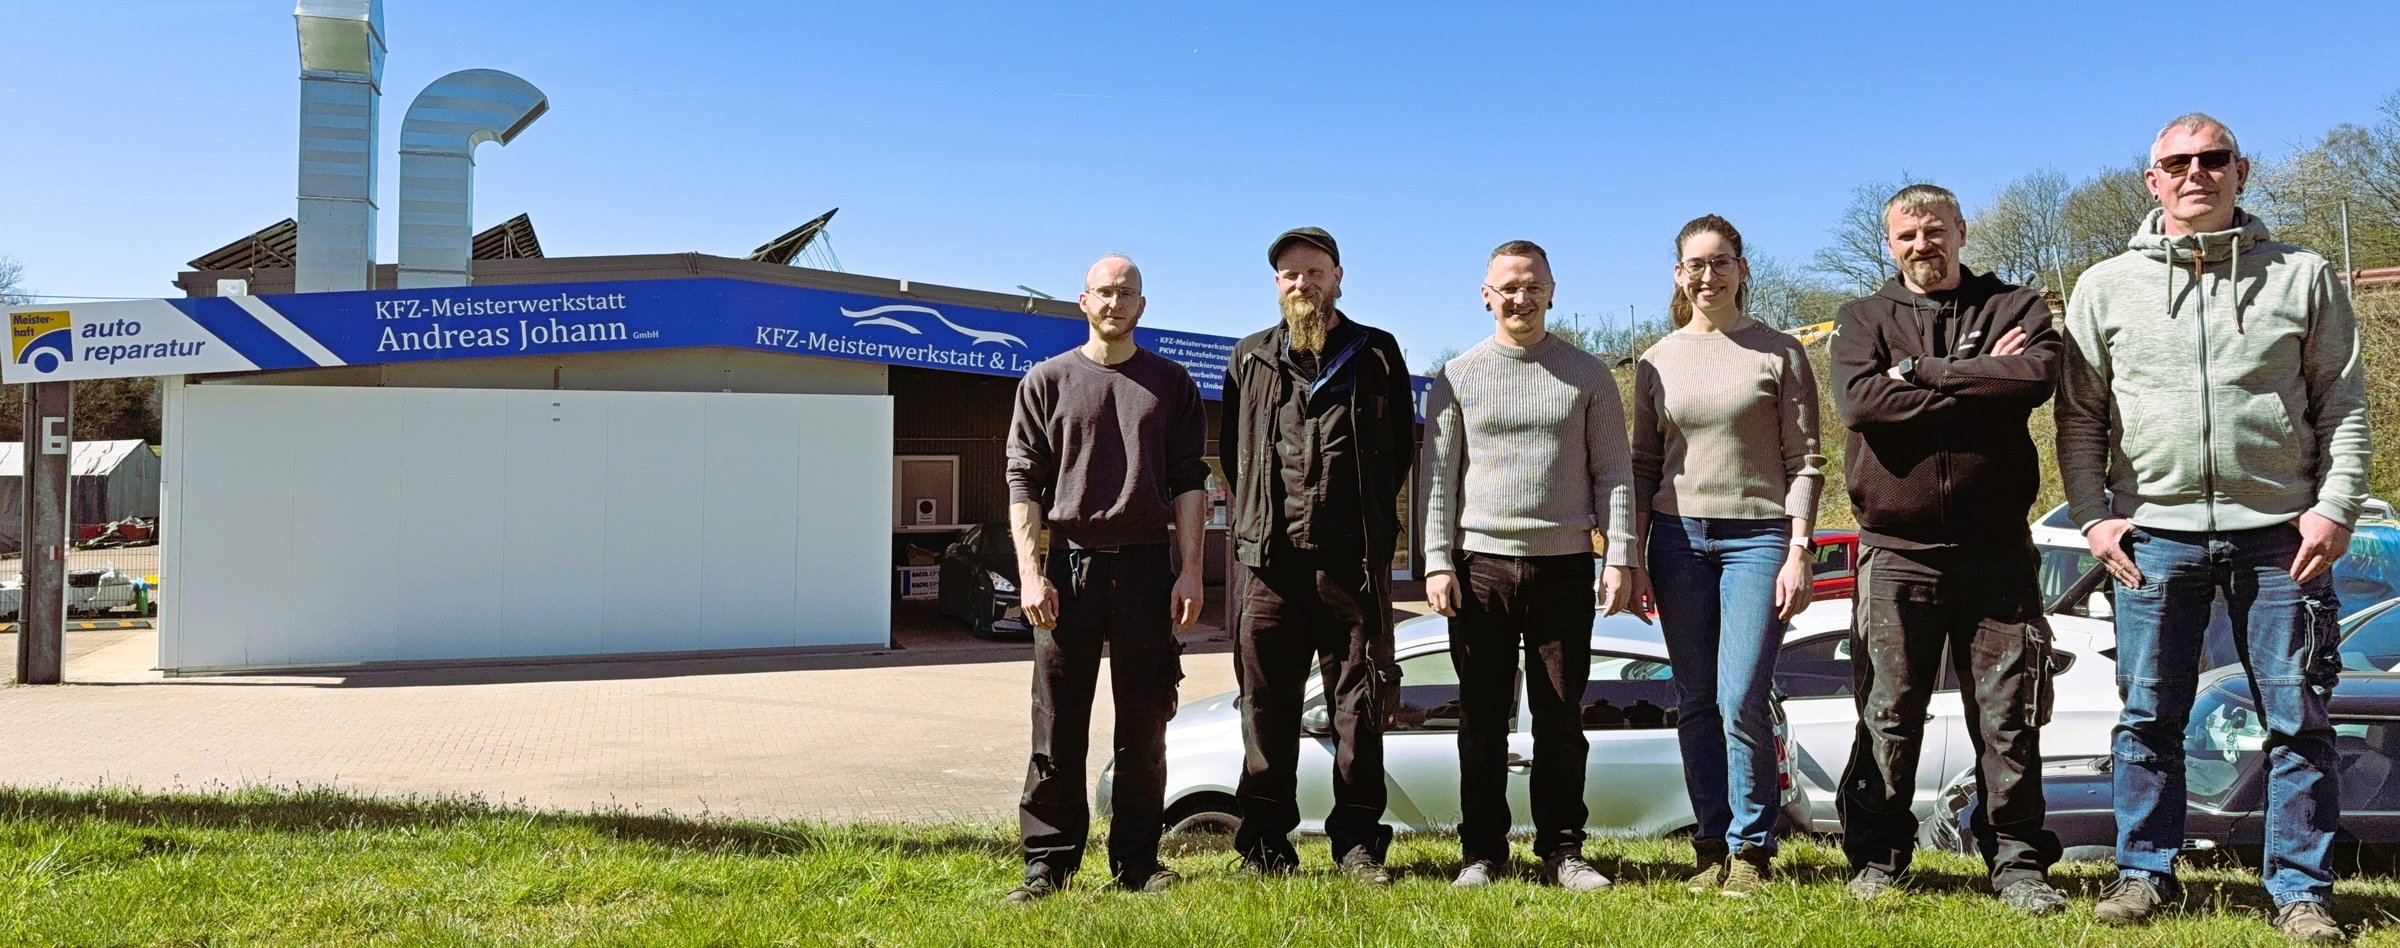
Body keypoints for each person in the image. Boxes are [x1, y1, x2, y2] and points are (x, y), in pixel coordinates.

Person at [2058, 113, 2372, 942]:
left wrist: (2335, 506)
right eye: (2177, 162)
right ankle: (2144, 875)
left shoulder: (2302, 276)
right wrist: (2093, 517)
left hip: (2282, 537)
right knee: (2147, 716)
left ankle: (2301, 890)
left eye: (2213, 158)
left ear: (2241, 170)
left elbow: (2343, 405)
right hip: (2152, 536)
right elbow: (2081, 419)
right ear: (2152, 181)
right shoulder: (2104, 286)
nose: (2196, 172)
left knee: (2298, 714)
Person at [1829, 184, 2069, 915]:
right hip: (1895, 550)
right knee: (1888, 711)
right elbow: (1863, 405)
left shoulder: (2016, 307)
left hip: (1996, 550)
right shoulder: (1862, 318)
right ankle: (1879, 858)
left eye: (1934, 231)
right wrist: (1978, 381)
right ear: (1888, 244)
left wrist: (1923, 373)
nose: (1921, 246)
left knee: (2008, 713)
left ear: (1961, 231)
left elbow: (2035, 377)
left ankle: (2018, 863)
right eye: (1906, 236)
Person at [1420, 239, 1633, 892]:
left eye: (1532, 284)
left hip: (1565, 567)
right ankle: (1482, 852)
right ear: (1485, 294)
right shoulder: (1456, 375)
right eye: (1508, 285)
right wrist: (1434, 560)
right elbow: (1435, 479)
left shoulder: (1588, 375)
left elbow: (1615, 474)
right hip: (1479, 569)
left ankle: (1563, 852)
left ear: (1552, 290)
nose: (1520, 296)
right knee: (1482, 722)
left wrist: (1619, 553)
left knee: (1561, 722)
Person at [1001, 253, 1211, 902]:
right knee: (1057, 723)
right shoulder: (1046, 380)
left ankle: (1138, 864)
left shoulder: (1171, 384)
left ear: (1142, 306)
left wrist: (1192, 572)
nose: (1115, 302)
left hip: (1148, 567)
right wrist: (1031, 576)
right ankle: (1048, 865)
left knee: (1144, 725)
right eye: (1104, 292)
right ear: (1083, 300)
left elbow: (1190, 485)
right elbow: (1023, 483)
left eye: (1127, 293)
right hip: (1066, 566)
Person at [1630, 214, 1823, 897]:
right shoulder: (1656, 359)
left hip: (1758, 539)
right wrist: (1630, 552)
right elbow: (1643, 463)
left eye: (1720, 263)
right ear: (1678, 275)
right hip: (1677, 540)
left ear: (1742, 268)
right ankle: (1710, 843)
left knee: (1740, 694)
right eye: (1694, 265)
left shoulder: (1780, 352)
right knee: (1695, 699)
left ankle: (1752, 848)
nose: (1707, 276)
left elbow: (1806, 460)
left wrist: (1799, 549)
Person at [1222, 226, 1416, 883]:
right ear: (1277, 286)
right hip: (1270, 567)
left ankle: (1358, 844)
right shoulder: (1249, 357)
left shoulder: (1377, 353)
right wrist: (1255, 523)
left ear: (1338, 277)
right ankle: (1266, 846)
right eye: (1289, 276)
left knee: (1358, 711)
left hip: (1351, 567)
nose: (1301, 285)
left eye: (1314, 272)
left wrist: (1357, 522)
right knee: (1264, 709)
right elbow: (1234, 453)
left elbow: (1399, 453)